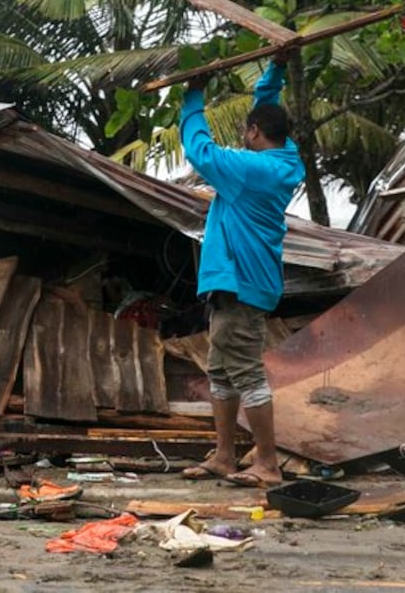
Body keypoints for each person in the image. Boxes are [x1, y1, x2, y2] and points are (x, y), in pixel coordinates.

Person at [177, 54, 305, 488]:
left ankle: (266, 463)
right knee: (221, 371)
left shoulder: (250, 170)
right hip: (241, 283)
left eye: (247, 131)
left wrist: (193, 97)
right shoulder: (285, 158)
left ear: (253, 133)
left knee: (245, 372)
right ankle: (225, 456)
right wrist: (277, 69)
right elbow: (268, 107)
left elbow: (200, 150)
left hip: (240, 285)